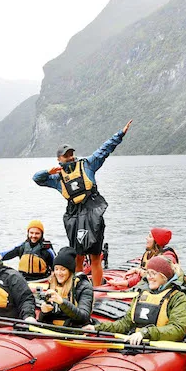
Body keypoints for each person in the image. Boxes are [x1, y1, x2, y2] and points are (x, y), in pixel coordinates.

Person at [33, 121, 132, 287]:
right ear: (59, 159)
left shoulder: (87, 165)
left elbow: (105, 150)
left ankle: (97, 289)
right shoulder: (57, 178)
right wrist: (48, 171)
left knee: (95, 255)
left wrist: (120, 134)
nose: (70, 157)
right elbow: (37, 179)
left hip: (92, 211)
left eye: (72, 153)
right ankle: (79, 287)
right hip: (74, 214)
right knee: (77, 255)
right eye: (66, 155)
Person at [83, 255, 186, 345]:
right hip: (139, 342)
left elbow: (178, 330)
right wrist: (96, 328)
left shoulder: (178, 298)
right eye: (148, 273)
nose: (149, 277)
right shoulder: (142, 294)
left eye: (153, 274)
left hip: (158, 345)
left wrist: (145, 333)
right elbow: (125, 323)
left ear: (164, 276)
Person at [37, 247, 94, 328]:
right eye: (56, 269)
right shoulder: (53, 283)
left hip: (74, 328)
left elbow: (84, 317)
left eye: (63, 270)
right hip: (54, 328)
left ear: (70, 271)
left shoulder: (84, 286)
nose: (59, 273)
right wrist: (44, 312)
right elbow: (43, 320)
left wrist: (62, 302)